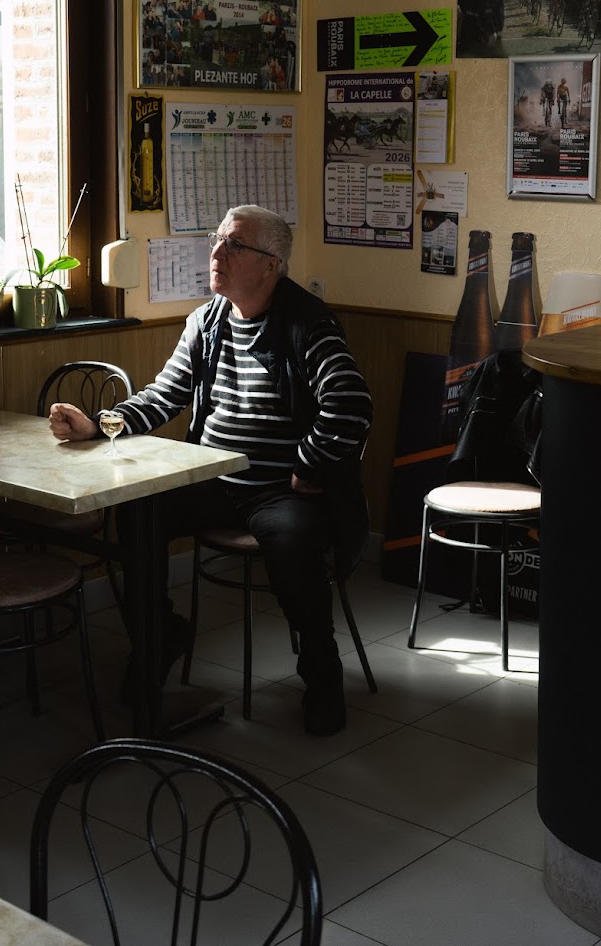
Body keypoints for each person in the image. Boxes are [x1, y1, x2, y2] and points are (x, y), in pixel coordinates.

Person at [50, 205, 373, 736]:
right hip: (212, 478)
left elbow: (351, 403)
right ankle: (158, 641)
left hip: (279, 490)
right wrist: (100, 424)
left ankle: (322, 673)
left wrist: (309, 465)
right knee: (136, 512)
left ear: (271, 265)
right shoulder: (206, 321)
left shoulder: (307, 323)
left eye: (234, 245)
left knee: (293, 546)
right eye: (216, 239)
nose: (216, 253)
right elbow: (165, 394)